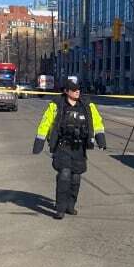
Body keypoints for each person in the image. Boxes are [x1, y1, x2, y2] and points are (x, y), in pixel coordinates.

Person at [32, 79, 107, 220]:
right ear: (66, 91)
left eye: (78, 89)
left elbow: (97, 122)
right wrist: (39, 141)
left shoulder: (86, 104)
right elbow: (46, 122)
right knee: (64, 174)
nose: (77, 91)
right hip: (63, 145)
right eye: (74, 89)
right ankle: (60, 208)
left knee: (76, 177)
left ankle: (70, 205)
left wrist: (100, 139)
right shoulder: (57, 105)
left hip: (79, 147)